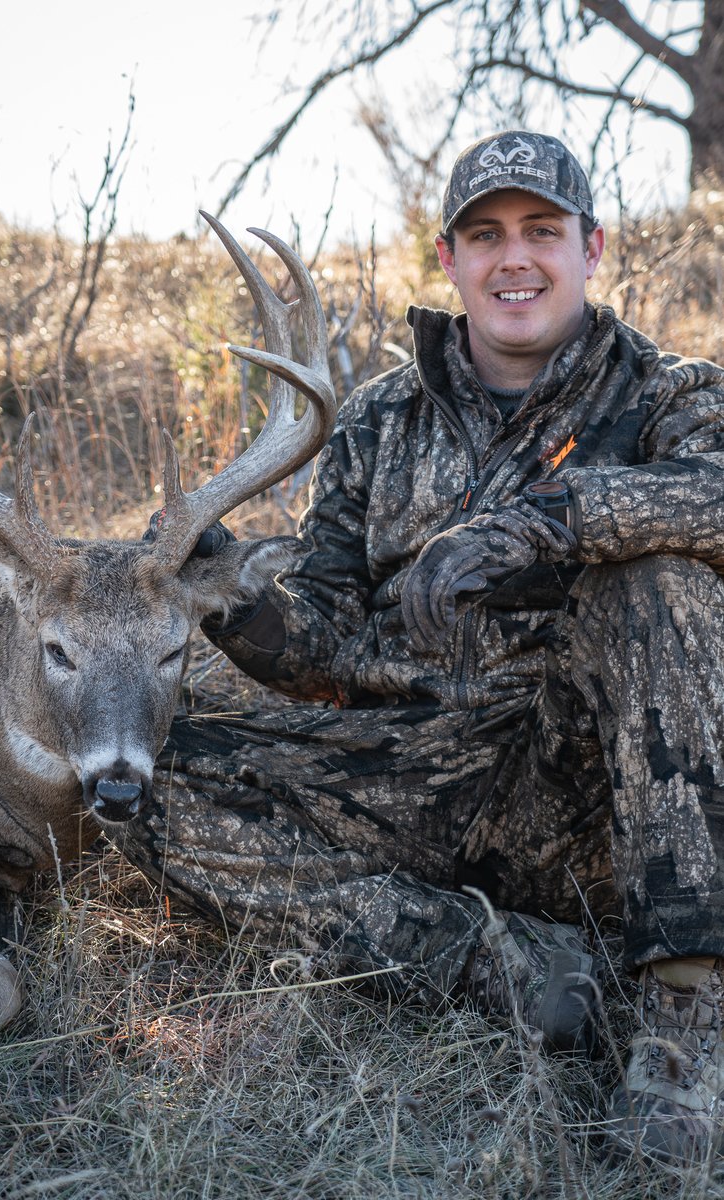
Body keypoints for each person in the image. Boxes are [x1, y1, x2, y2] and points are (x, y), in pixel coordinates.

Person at [115, 130, 724, 1164]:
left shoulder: (671, 396)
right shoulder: (377, 421)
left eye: (542, 230)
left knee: (657, 583)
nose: (513, 259)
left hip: (600, 792)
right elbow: (321, 641)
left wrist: (541, 523)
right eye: (484, 235)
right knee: (148, 780)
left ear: (592, 247)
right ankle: (505, 965)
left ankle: (684, 1021)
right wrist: (223, 588)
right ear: (447, 258)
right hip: (417, 775)